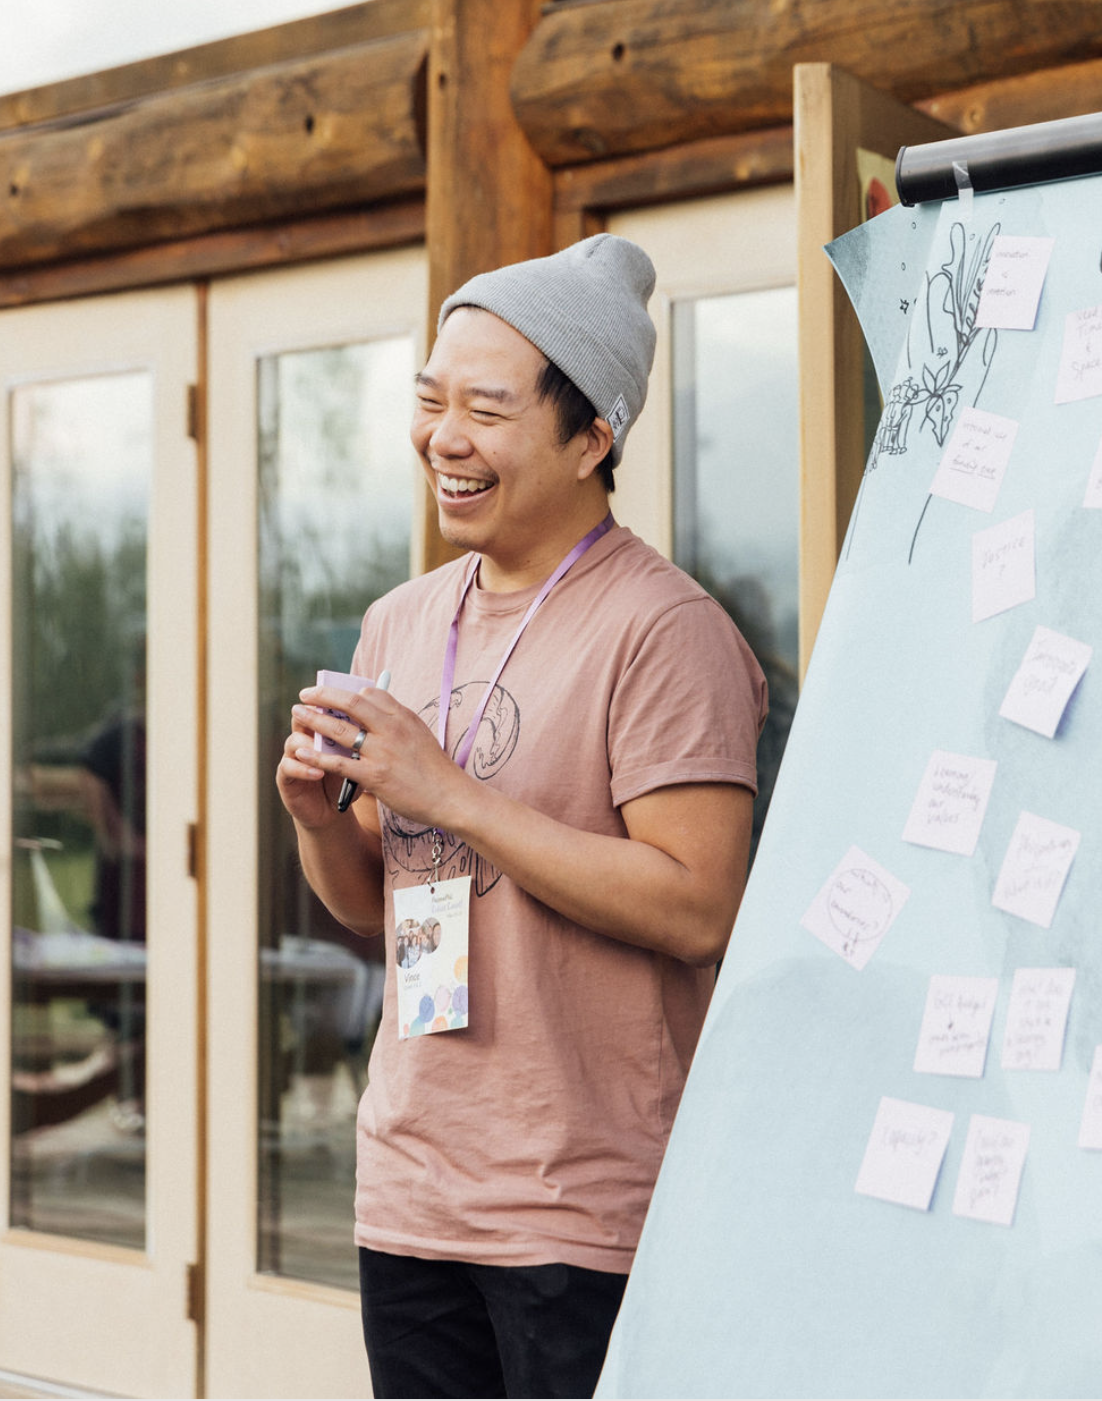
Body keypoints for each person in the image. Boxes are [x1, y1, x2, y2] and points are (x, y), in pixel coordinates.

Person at [276, 235, 767, 1400]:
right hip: (411, 1182)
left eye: (486, 410)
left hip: (581, 1199)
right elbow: (375, 904)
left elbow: (698, 904)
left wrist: (447, 790)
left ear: (591, 435)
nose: (444, 438)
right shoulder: (399, 620)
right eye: (431, 400)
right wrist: (316, 820)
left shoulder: (664, 630)